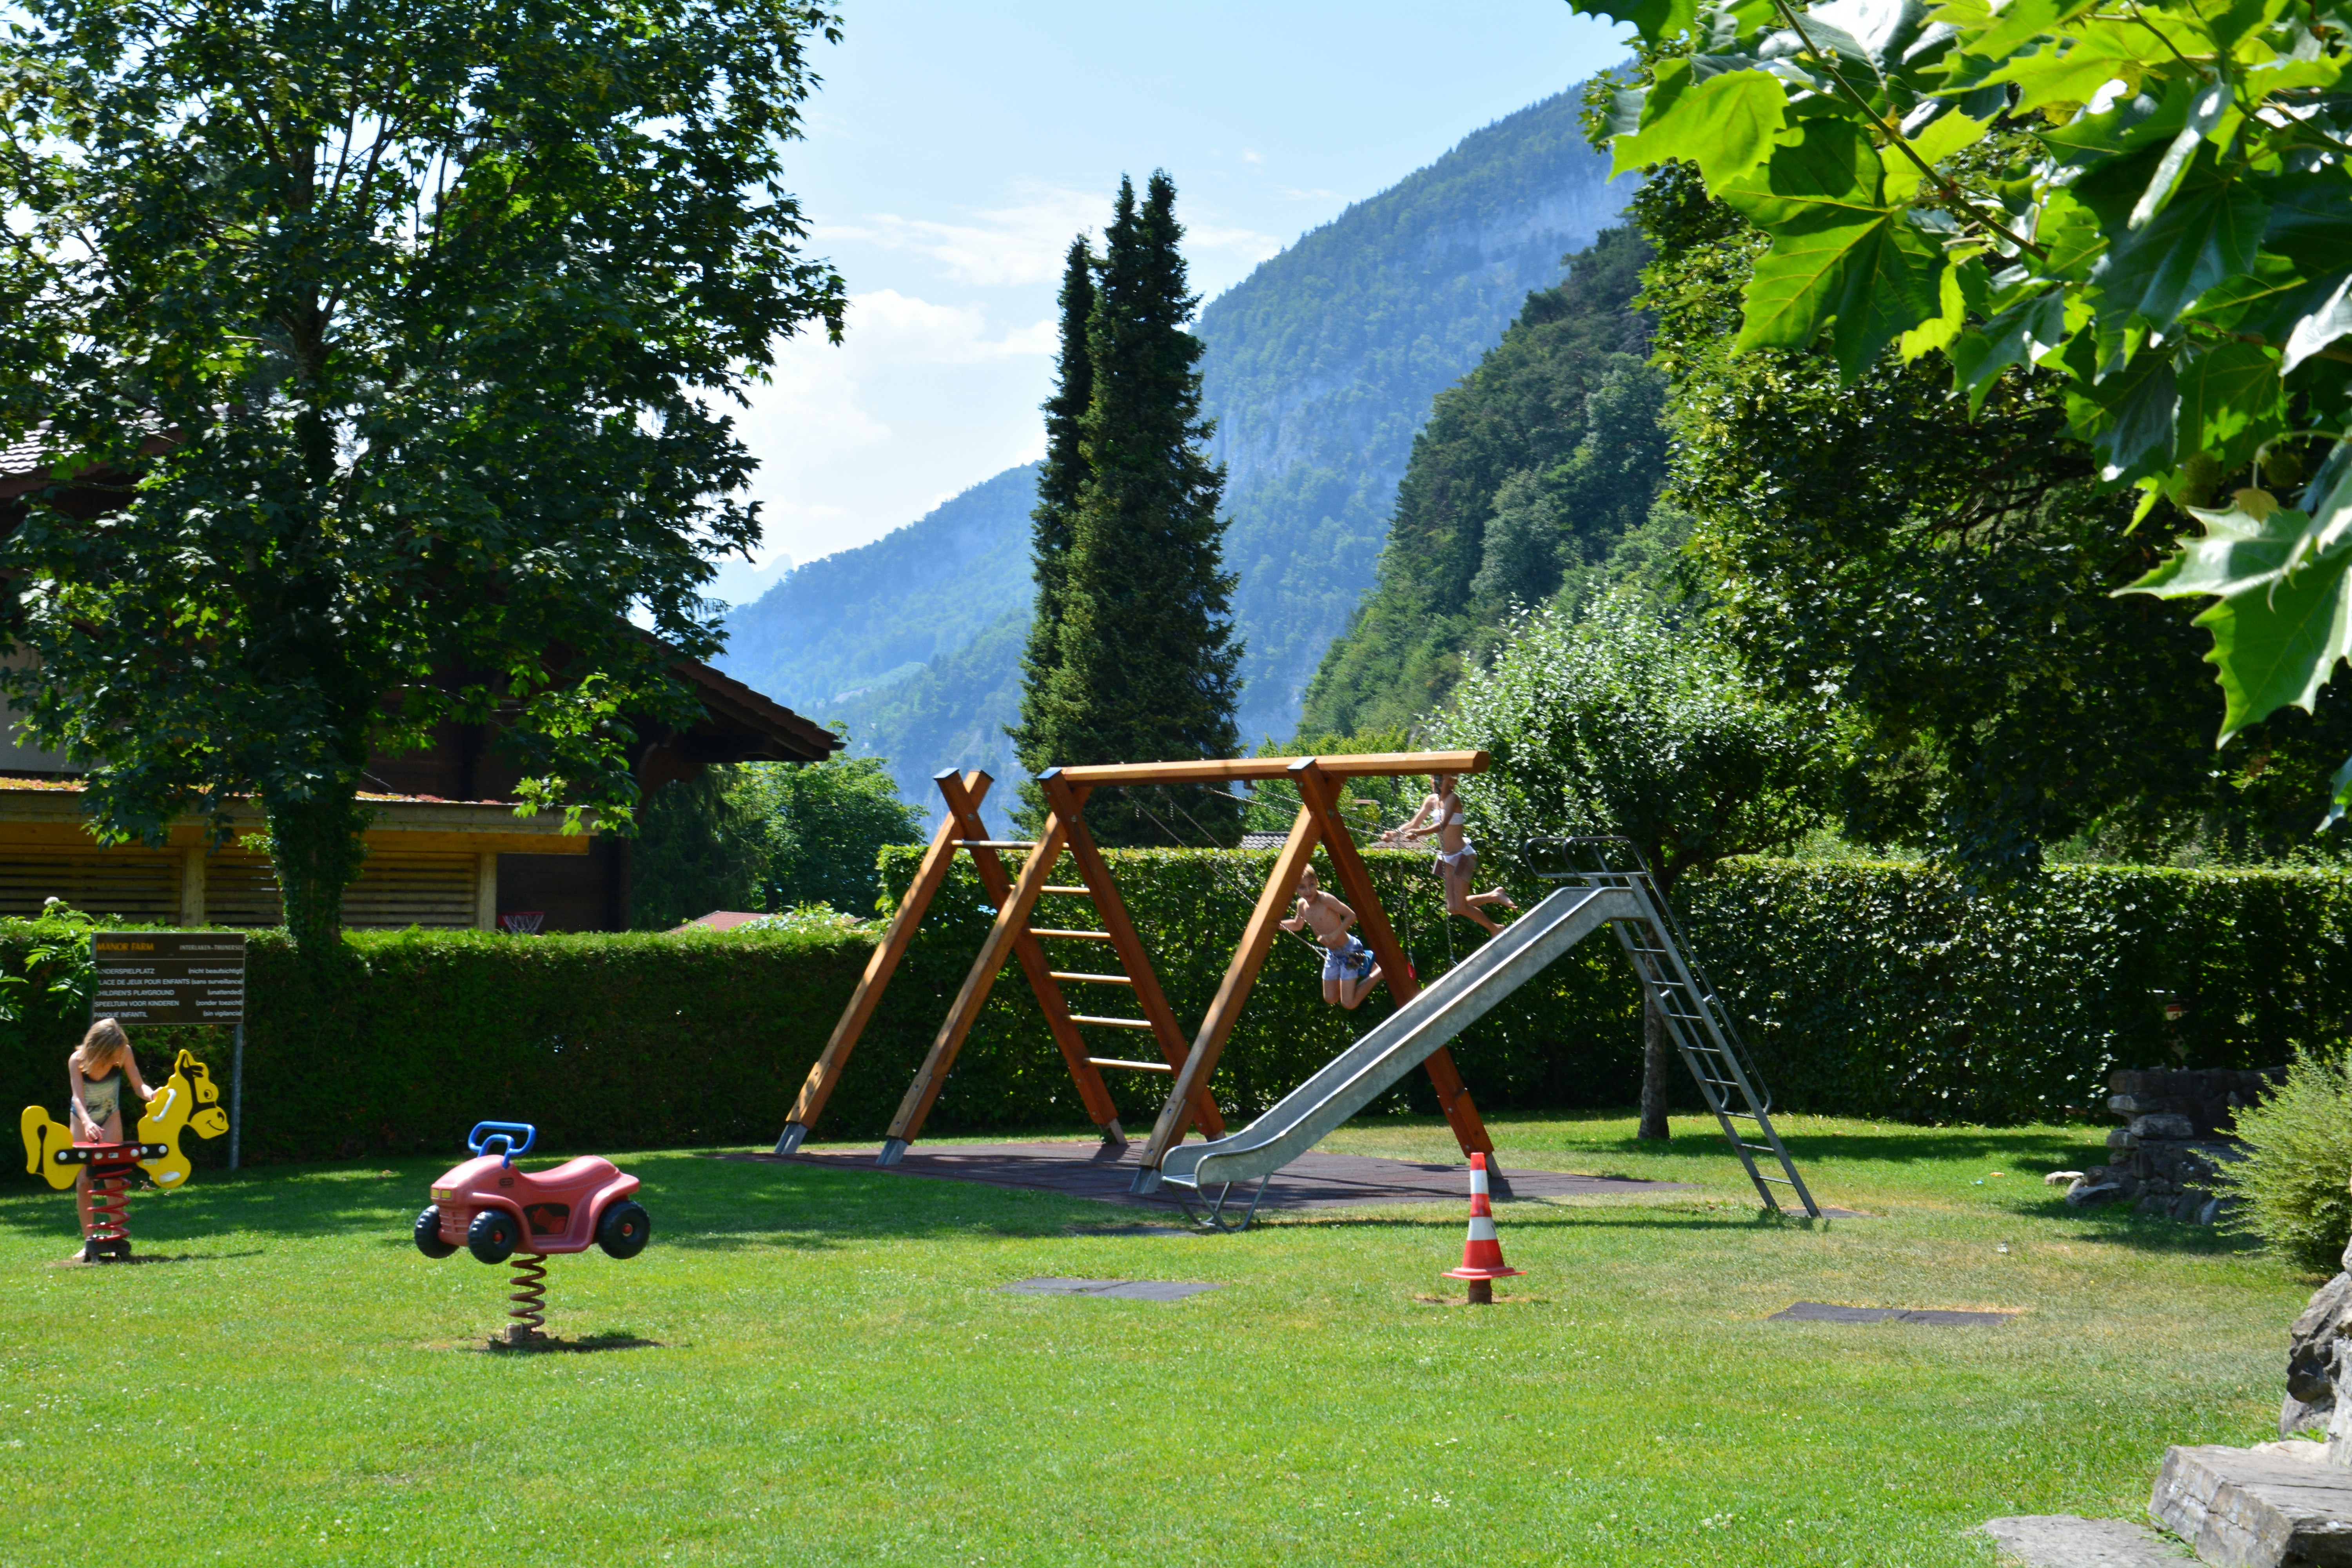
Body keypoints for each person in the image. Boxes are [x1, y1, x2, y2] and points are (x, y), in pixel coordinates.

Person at [1384, 771, 1516, 936]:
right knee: (1453, 908)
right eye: (1434, 778)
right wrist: (1394, 834)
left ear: (1452, 781)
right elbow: (1414, 822)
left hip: (1463, 855)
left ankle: (1495, 928)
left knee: (1459, 906)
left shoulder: (1453, 799)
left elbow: (1442, 825)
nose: (1435, 781)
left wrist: (1418, 833)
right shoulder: (1431, 800)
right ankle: (1495, 896)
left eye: (1440, 778)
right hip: (1447, 856)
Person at [66, 1018, 152, 1254]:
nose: (118, 1059)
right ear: (100, 1048)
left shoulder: (124, 1052)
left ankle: (116, 1240)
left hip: (110, 1115)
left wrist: (152, 1094)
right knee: (85, 1181)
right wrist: (87, 1122)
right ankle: (90, 1242)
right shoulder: (78, 1061)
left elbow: (139, 1085)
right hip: (82, 1117)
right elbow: (78, 1099)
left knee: (113, 1178)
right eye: (113, 1054)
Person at [1280, 866, 1384, 1010]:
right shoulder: (1302, 905)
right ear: (1296, 889)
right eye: (1302, 887)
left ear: (1317, 883)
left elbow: (1352, 916)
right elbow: (1297, 925)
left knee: (1349, 1003)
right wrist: (1275, 925)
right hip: (1333, 954)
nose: (1308, 891)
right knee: (1330, 998)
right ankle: (1367, 962)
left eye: (1311, 885)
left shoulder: (1325, 900)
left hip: (1350, 951)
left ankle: (1379, 973)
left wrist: (1334, 935)